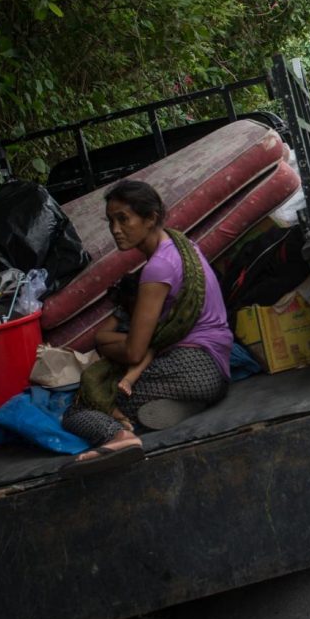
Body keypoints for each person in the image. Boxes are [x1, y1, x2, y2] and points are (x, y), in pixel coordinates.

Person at [60, 179, 233, 476]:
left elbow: (134, 350)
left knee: (79, 408)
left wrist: (102, 340)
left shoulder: (157, 269)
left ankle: (120, 437)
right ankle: (190, 402)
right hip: (217, 368)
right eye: (111, 220)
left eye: (123, 219)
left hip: (190, 367)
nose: (115, 229)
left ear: (151, 218)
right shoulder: (182, 244)